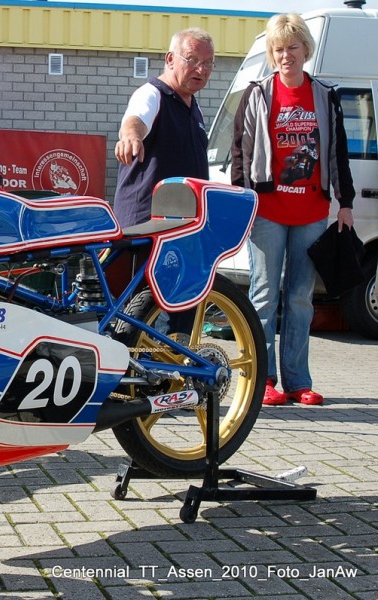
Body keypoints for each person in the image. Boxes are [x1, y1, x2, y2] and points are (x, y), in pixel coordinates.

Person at [231, 13, 355, 407]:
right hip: (267, 210)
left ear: (305, 49)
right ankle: (262, 379)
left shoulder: (324, 95)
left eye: (293, 47)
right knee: (264, 296)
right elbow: (240, 152)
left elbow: (338, 152)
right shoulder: (258, 94)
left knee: (300, 299)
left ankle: (298, 381)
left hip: (312, 212)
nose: (286, 55)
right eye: (279, 49)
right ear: (272, 53)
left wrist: (345, 202)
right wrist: (241, 200)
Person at [113, 27, 215, 228]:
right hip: (145, 227)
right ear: (170, 59)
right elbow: (135, 119)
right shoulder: (151, 94)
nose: (201, 70)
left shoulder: (194, 108)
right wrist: (131, 137)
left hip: (183, 226)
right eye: (192, 60)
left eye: (208, 63)